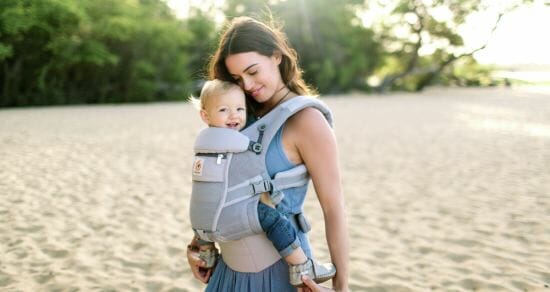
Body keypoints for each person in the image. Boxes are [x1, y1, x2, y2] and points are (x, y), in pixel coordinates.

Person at [186, 16, 349, 292]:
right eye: (237, 78)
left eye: (252, 71)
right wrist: (198, 244)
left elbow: (333, 208)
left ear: (276, 56)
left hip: (283, 273)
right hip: (227, 272)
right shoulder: (239, 116)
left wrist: (341, 286)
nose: (247, 86)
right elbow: (219, 186)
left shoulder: (306, 120)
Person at [190, 79, 336, 287]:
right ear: (205, 115)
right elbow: (253, 157)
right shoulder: (236, 141)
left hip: (203, 218)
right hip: (231, 214)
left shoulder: (203, 143)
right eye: (224, 110)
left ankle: (206, 253)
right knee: (274, 221)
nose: (234, 115)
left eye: (240, 109)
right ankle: (301, 266)